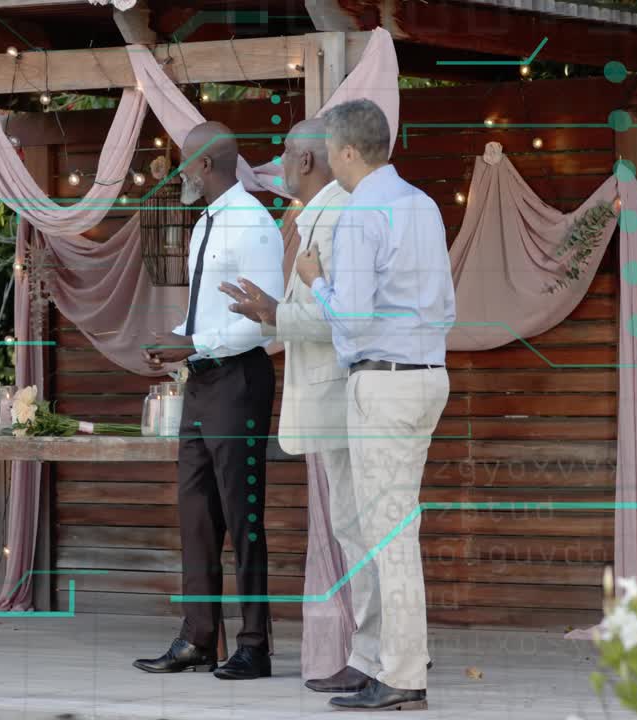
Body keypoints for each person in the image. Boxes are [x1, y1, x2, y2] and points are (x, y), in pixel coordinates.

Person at [294, 99, 454, 711]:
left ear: (347, 152)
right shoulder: (424, 205)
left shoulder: (361, 214)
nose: (329, 162)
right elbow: (445, 304)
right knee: (389, 527)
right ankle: (383, 660)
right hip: (428, 376)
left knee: (389, 534)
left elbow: (354, 317)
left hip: (383, 382)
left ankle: (404, 673)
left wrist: (316, 280)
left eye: (330, 151)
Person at [219, 118, 366, 691]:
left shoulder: (338, 216)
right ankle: (368, 655)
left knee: (359, 533)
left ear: (305, 161)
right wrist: (272, 309)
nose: (278, 163)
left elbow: (341, 318)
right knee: (352, 531)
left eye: (283, 153)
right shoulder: (315, 216)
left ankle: (372, 658)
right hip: (329, 400)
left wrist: (274, 313)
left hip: (341, 398)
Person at [136, 121, 284, 681]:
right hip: (199, 382)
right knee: (195, 513)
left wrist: (193, 343)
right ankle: (198, 638)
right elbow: (207, 316)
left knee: (243, 516)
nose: (179, 172)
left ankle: (254, 646)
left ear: (204, 165)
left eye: (183, 162)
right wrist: (174, 340)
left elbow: (263, 322)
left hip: (240, 380)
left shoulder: (254, 224)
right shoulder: (204, 224)